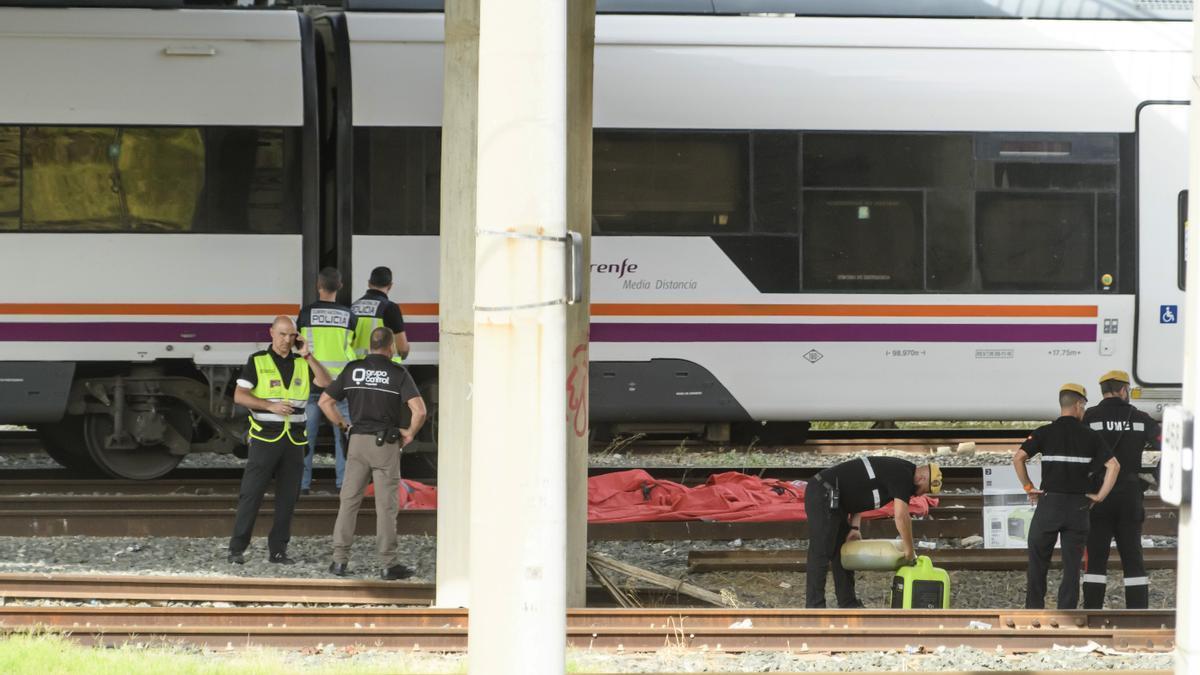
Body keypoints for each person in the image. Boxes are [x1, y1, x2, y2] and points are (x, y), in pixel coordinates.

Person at [319, 326, 426, 580]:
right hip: (385, 445)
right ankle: (388, 564)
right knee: (386, 508)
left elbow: (325, 401)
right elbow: (419, 411)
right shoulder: (397, 373)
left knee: (349, 502)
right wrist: (410, 433)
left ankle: (339, 561)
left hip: (357, 442)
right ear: (390, 347)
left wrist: (344, 426)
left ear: (370, 345)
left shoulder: (352, 369)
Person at [228, 316, 332, 565]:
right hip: (265, 437)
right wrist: (269, 406)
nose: (287, 340)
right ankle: (236, 549)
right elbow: (239, 396)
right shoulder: (258, 361)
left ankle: (278, 551)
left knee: (288, 498)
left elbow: (327, 383)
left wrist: (308, 356)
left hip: (294, 441)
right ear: (272, 333)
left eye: (291, 335)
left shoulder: (301, 362)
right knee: (251, 494)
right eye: (282, 334)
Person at [1014, 383, 1119, 609]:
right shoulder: (1091, 436)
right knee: (1072, 566)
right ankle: (1067, 611)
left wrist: (1028, 487)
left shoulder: (1044, 432)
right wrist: (1099, 496)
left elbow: (1018, 458)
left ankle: (1034, 609)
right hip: (1078, 507)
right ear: (1079, 405)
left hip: (1049, 504)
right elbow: (1114, 466)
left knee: (1038, 560)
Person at [804, 457, 942, 608]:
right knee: (821, 552)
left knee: (841, 553)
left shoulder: (901, 472)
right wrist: (910, 550)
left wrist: (855, 527)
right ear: (922, 478)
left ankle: (848, 604)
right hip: (823, 491)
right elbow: (902, 517)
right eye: (924, 490)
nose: (920, 495)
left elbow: (861, 490)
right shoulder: (903, 476)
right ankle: (814, 607)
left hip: (836, 499)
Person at [1082, 370, 1161, 609]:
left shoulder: (1089, 417)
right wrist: (1155, 476)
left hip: (1098, 496)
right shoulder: (1139, 418)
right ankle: (1138, 611)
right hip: (1130, 495)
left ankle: (1092, 610)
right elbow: (1171, 443)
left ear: (1103, 390)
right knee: (1133, 557)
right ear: (1124, 390)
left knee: (1095, 557)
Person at [296, 267, 357, 493]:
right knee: (344, 437)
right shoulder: (349, 316)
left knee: (304, 438)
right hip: (338, 387)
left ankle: (302, 485)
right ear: (340, 287)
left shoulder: (305, 314)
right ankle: (344, 485)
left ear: (317, 286)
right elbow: (352, 350)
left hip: (311, 383)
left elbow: (299, 346)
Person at [351, 266, 410, 362]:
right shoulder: (390, 308)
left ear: (369, 284)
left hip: (358, 368)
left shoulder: (353, 307)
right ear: (390, 286)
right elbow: (402, 349)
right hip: (384, 369)